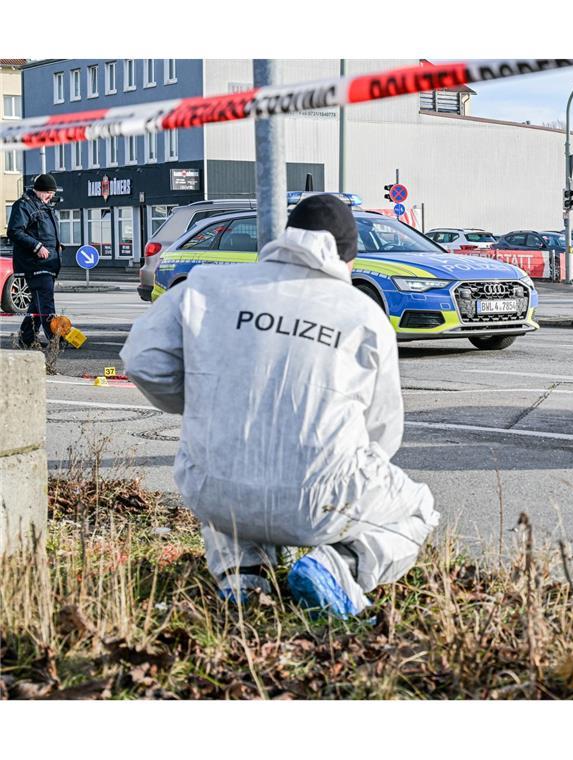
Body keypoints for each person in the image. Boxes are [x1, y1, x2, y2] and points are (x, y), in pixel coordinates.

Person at [121, 194, 439, 618]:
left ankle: (242, 575)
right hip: (320, 502)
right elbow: (383, 432)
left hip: (217, 493)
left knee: (222, 460)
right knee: (418, 507)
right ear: (348, 258)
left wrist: (209, 406)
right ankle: (340, 564)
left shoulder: (207, 286)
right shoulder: (362, 314)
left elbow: (143, 360)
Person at [7, 174, 63, 349]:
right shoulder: (24, 205)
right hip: (35, 264)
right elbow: (14, 231)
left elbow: (46, 233)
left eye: (52, 193)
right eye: (48, 193)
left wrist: (57, 247)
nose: (50, 196)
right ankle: (55, 339)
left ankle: (26, 337)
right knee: (46, 302)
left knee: (37, 304)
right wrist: (37, 246)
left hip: (48, 264)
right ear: (39, 191)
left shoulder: (44, 207)